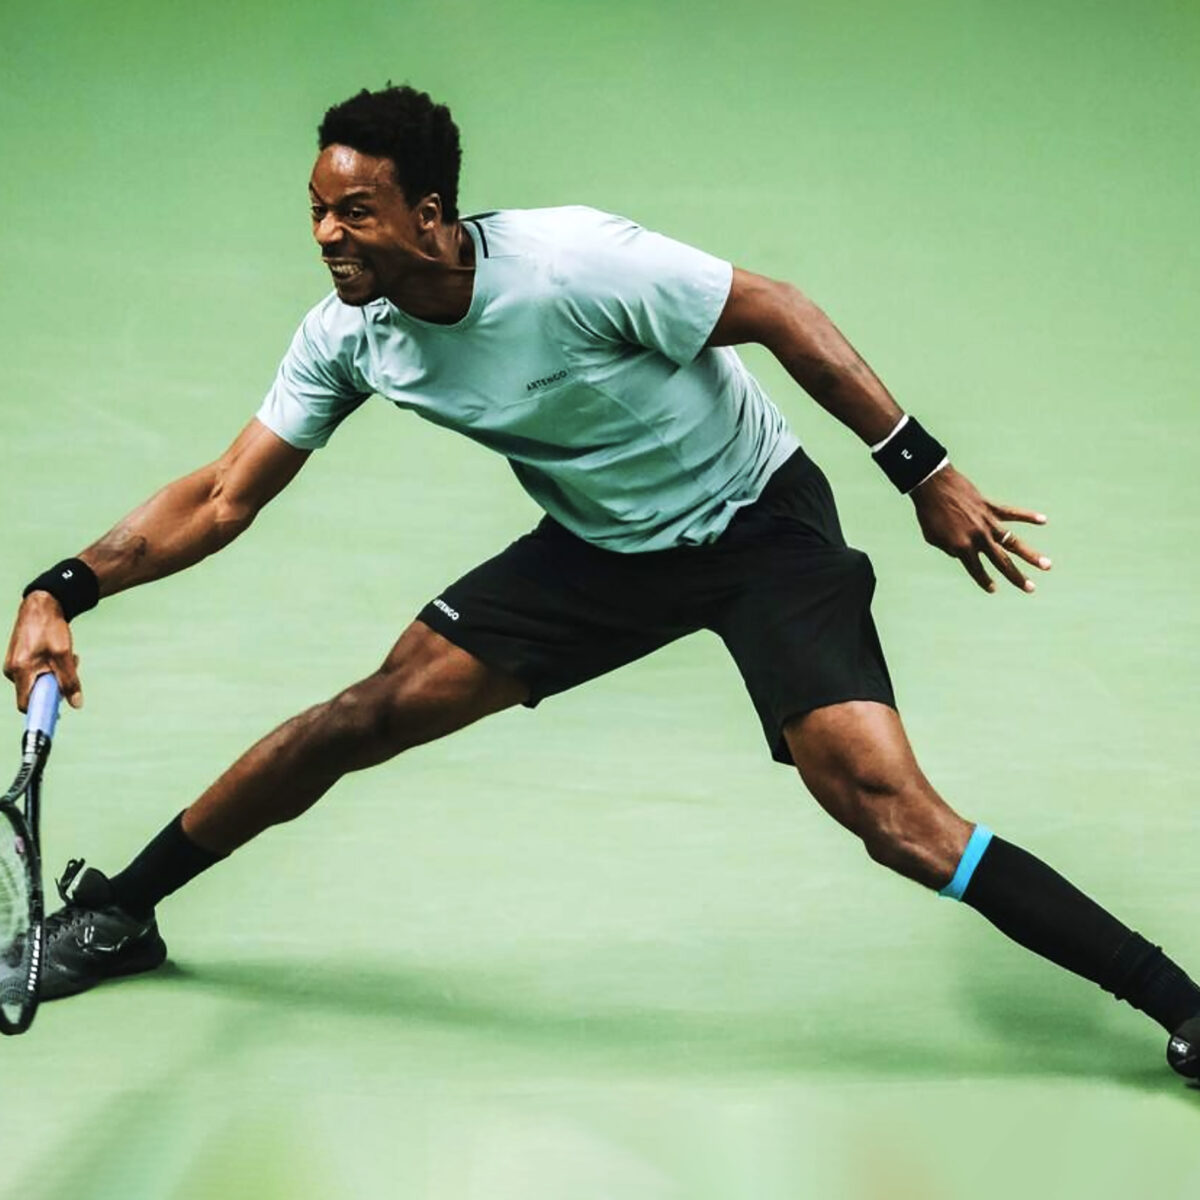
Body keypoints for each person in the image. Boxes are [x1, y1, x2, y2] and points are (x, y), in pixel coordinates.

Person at [5, 84, 1198, 1079]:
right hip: (600, 550)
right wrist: (63, 588)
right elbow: (222, 496)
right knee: (354, 720)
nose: (327, 235)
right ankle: (119, 913)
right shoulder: (350, 336)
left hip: (757, 529)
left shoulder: (573, 264)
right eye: (317, 210)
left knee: (896, 819)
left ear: (429, 214)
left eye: (355, 211)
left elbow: (779, 311)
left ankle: (1177, 999)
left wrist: (922, 471)